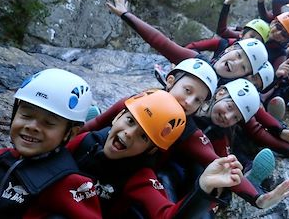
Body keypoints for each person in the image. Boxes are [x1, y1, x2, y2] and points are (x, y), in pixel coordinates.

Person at [68, 89, 245, 218]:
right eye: (130, 120)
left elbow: (167, 216)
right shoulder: (88, 141)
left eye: (143, 136)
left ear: (151, 150)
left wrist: (203, 189)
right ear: (118, 116)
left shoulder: (140, 176)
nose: (130, 133)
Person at [0, 68, 101, 218]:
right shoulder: (4, 156)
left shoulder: (70, 184)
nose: (32, 126)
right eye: (26, 115)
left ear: (71, 133)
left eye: (48, 122)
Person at [107, 0, 268, 86]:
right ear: (232, 49)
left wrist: (279, 130)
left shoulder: (232, 93)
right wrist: (126, 15)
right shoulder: (204, 58)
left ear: (244, 75)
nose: (236, 63)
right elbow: (162, 42)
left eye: (243, 67)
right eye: (239, 56)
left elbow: (255, 119)